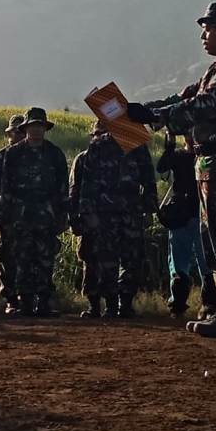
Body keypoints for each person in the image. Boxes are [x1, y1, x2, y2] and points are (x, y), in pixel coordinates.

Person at [128, 2, 216, 338]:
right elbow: (185, 97)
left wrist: (155, 117)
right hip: (209, 163)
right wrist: (142, 110)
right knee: (213, 236)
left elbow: (206, 104)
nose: (203, 35)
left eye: (208, 28)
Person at [72, 119, 157, 319]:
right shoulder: (97, 147)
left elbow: (148, 179)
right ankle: (110, 305)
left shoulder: (136, 145)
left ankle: (125, 303)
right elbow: (87, 183)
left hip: (131, 210)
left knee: (132, 259)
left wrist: (149, 209)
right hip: (105, 213)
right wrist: (87, 212)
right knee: (106, 259)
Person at [0, 107, 69, 317]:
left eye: (40, 125)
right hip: (20, 216)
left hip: (47, 216)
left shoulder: (55, 154)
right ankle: (25, 303)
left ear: (45, 128)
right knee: (22, 260)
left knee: (45, 260)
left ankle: (44, 303)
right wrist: (6, 215)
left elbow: (62, 188)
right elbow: (6, 187)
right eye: (33, 126)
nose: (36, 130)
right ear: (26, 128)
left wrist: (62, 215)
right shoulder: (13, 154)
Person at [156, 131, 216, 319]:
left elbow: (162, 168)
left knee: (183, 263)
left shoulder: (181, 156)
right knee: (203, 262)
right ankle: (207, 306)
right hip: (198, 213)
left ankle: (181, 305)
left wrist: (169, 147)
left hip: (185, 214)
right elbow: (162, 168)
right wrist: (169, 148)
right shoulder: (204, 157)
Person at [0, 114, 25, 312]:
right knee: (6, 257)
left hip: (33, 217)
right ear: (9, 134)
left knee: (32, 258)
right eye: (15, 132)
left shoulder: (41, 154)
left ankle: (32, 297)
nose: (18, 135)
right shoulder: (1, 157)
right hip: (7, 216)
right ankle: (11, 298)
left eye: (22, 131)